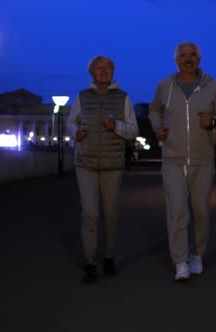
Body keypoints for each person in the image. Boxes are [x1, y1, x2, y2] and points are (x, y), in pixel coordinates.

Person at [149, 41, 216, 281]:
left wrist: (213, 122)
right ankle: (180, 261)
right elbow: (154, 110)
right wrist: (157, 128)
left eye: (192, 54)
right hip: (172, 158)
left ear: (199, 59)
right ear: (176, 60)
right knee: (177, 211)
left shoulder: (211, 85)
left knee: (201, 211)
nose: (188, 58)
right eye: (183, 55)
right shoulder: (165, 86)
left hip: (202, 159)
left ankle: (198, 255)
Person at [67, 55, 139, 284]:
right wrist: (74, 133)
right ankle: (90, 261)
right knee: (90, 212)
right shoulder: (82, 97)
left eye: (107, 68)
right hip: (85, 162)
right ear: (91, 72)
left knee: (110, 213)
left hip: (112, 164)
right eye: (98, 68)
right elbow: (70, 122)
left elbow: (133, 131)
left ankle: (108, 257)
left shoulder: (123, 98)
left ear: (113, 72)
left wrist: (115, 125)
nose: (103, 71)